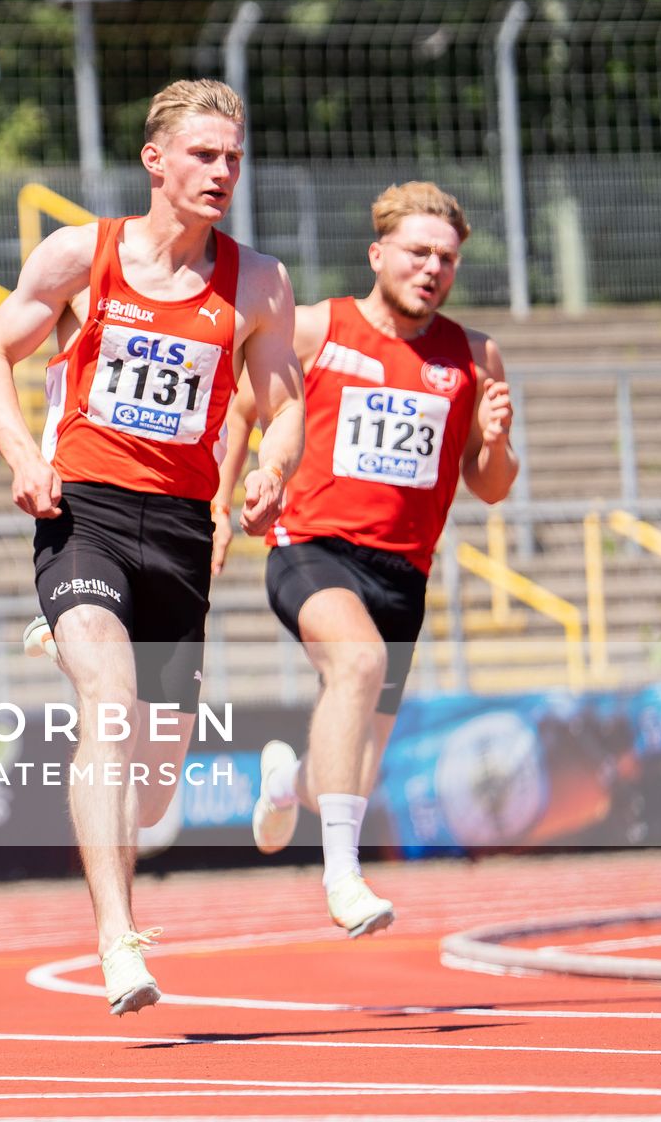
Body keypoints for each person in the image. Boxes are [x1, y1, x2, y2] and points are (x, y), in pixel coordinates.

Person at [0, 78, 304, 1017]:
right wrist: (23, 457)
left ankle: (88, 647)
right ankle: (119, 940)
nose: (222, 172)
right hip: (86, 515)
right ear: (156, 160)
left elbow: (284, 411)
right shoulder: (84, 254)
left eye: (233, 157)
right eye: (204, 155)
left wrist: (270, 471)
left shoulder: (260, 281)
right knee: (107, 703)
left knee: (154, 796)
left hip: (184, 534)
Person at [215, 180, 516, 937]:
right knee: (354, 663)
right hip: (310, 548)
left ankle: (287, 781)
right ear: (378, 254)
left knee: (342, 775)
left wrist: (498, 439)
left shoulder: (475, 355)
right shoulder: (319, 329)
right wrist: (223, 503)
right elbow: (248, 404)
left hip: (402, 577)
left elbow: (490, 486)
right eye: (417, 253)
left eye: (445, 259)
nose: (431, 269)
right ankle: (344, 878)